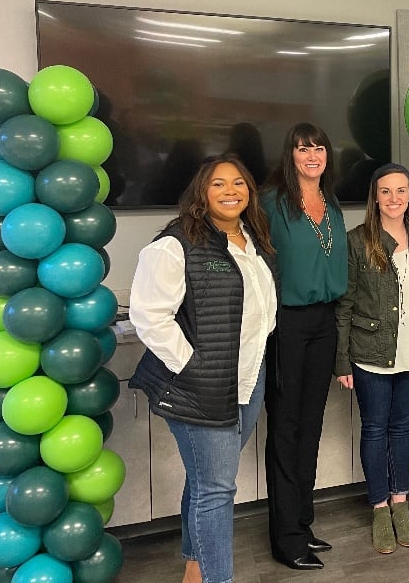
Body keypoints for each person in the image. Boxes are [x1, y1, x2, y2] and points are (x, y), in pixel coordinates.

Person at [128, 154, 277, 583]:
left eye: (238, 183)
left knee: (207, 479)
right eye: (218, 184)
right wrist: (192, 365)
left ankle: (195, 566)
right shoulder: (177, 244)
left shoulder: (254, 238)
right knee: (217, 489)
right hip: (201, 383)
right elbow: (149, 316)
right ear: (201, 193)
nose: (230, 191)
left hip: (249, 377)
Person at [335, 163, 409, 554]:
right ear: (375, 198)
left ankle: (401, 503)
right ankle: (379, 508)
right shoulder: (358, 240)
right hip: (370, 354)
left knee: (402, 429)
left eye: (401, 191)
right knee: (375, 429)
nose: (394, 198)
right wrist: (342, 361)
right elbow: (343, 305)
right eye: (386, 191)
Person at [260, 123, 347, 570]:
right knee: (286, 429)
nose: (311, 154)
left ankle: (303, 522)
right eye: (302, 148)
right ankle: (285, 537)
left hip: (324, 322)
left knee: (310, 426)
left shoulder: (330, 204)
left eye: (318, 147)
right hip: (286, 325)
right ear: (289, 155)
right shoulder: (272, 202)